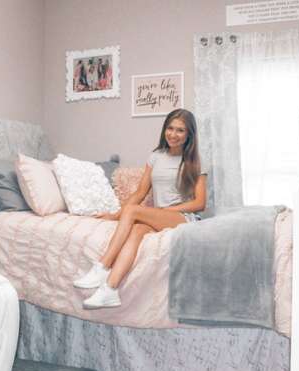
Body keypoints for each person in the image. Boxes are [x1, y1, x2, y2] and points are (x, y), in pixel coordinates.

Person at [74, 109, 207, 309]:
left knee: (134, 211)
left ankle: (102, 266)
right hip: (159, 216)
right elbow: (140, 192)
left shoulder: (196, 161)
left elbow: (200, 203)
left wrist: (167, 212)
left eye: (180, 130)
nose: (173, 134)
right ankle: (110, 289)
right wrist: (115, 215)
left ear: (189, 134)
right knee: (136, 230)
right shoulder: (156, 156)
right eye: (170, 128)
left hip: (184, 217)